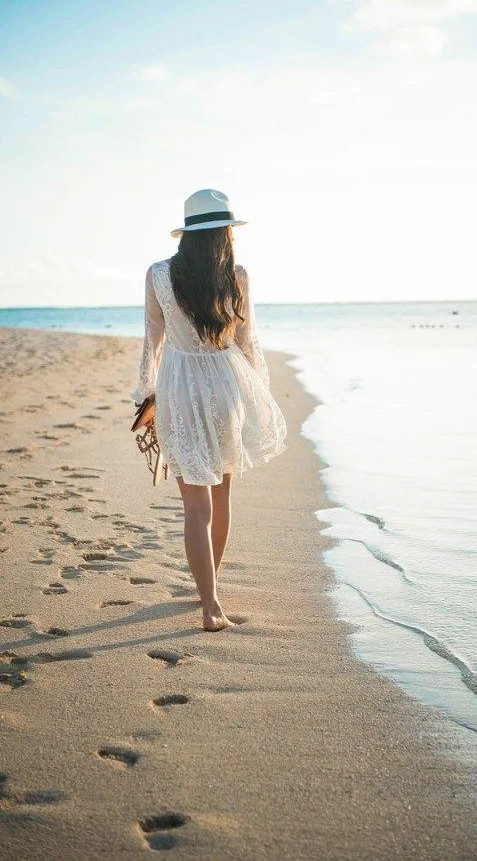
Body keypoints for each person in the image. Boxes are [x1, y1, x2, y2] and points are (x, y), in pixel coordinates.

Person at [131, 189, 287, 631]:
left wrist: (145, 394)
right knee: (222, 497)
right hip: (227, 387)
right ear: (224, 234)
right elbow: (247, 341)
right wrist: (260, 390)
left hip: (179, 386)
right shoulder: (236, 275)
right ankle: (209, 592)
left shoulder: (158, 274)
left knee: (195, 507)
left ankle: (210, 602)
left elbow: (153, 341)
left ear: (187, 233)